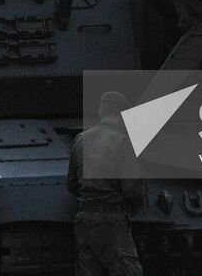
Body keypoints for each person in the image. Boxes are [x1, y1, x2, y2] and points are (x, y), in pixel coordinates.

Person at [67, 91, 145, 276]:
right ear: (122, 114)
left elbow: (71, 184)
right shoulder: (123, 141)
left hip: (84, 218)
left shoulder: (80, 139)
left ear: (101, 110)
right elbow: (131, 188)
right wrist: (136, 207)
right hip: (111, 220)